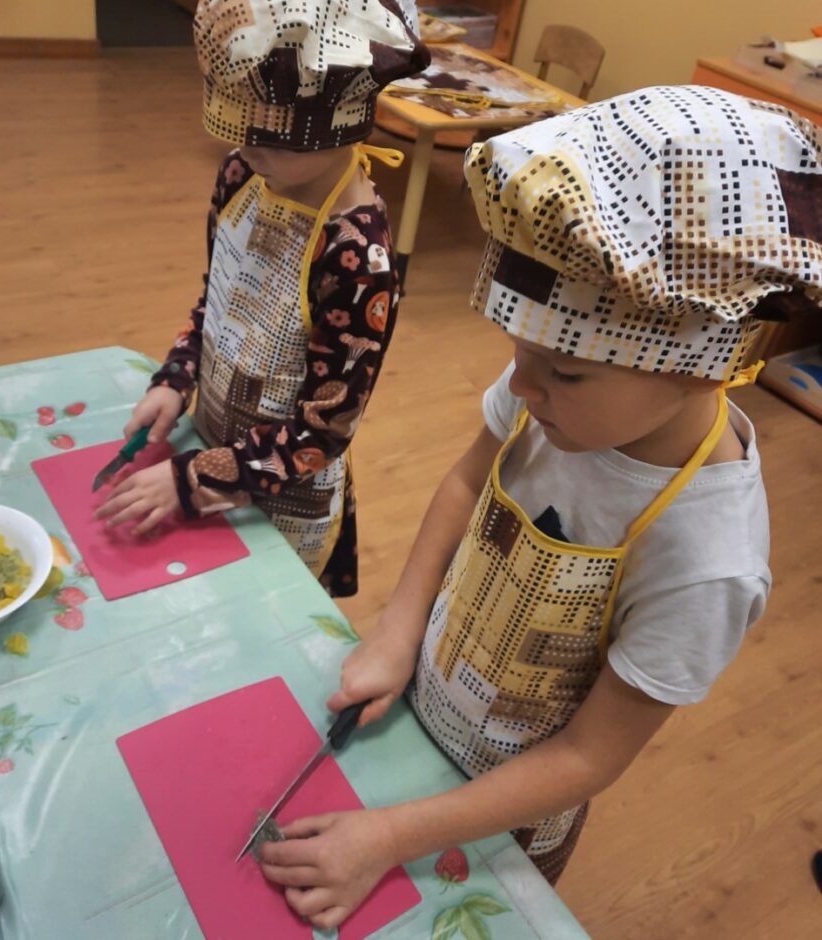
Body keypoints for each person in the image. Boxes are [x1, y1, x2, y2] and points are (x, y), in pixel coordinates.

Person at [257, 85, 822, 928]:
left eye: (562, 373)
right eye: (519, 353)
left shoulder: (709, 561)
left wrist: (389, 837)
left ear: (703, 365)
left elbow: (590, 757)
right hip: (423, 708)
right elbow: (464, 484)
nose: (521, 387)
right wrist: (400, 630)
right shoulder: (555, 386)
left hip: (504, 820)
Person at [97, 0, 428, 596]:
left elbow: (322, 433)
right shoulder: (241, 174)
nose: (247, 150)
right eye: (237, 131)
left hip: (282, 500)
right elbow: (216, 300)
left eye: (268, 139)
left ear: (343, 122)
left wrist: (192, 478)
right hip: (208, 441)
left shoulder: (359, 260)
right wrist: (177, 377)